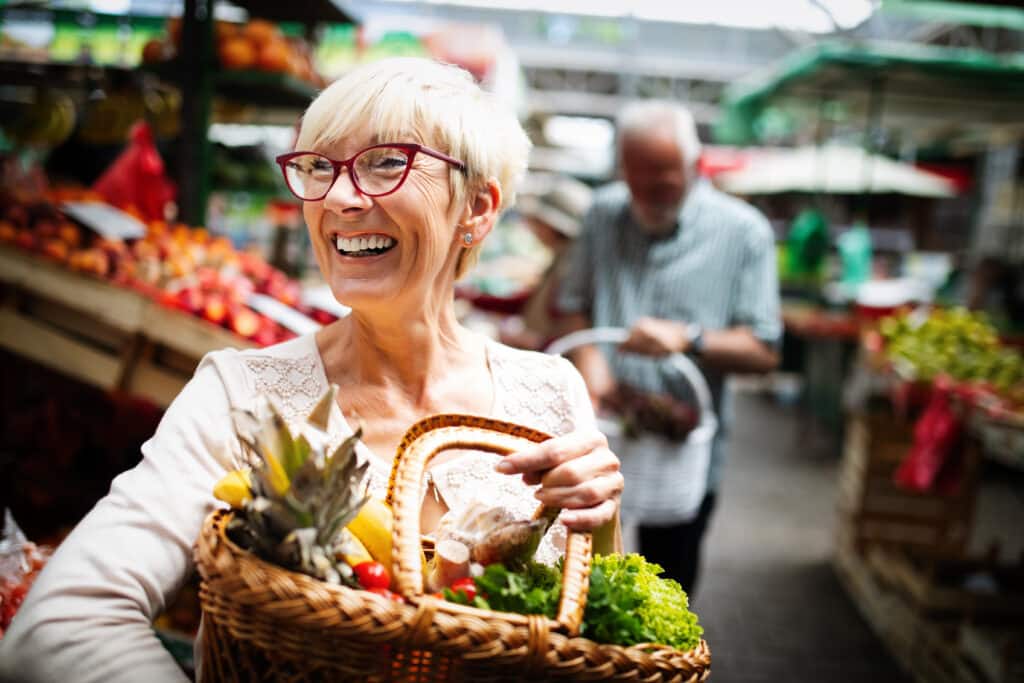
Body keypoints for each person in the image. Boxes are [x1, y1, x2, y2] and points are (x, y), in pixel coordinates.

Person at [0, 57, 623, 683]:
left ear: (478, 209)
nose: (340, 198)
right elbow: (61, 623)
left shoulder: (549, 392)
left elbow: (602, 638)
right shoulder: (241, 393)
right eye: (319, 167)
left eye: (386, 163)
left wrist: (603, 525)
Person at [557, 99, 781, 598]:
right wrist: (591, 362)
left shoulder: (744, 234)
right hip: (602, 434)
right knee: (577, 587)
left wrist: (690, 338)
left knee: (663, 594)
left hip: (683, 456)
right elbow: (573, 303)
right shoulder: (602, 214)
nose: (647, 196)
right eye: (636, 182)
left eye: (663, 183)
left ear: (695, 167)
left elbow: (765, 350)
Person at [499, 174, 592, 350]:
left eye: (538, 223)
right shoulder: (563, 258)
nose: (535, 230)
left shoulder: (574, 271)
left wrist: (533, 341)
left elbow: (577, 336)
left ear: (553, 226)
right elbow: (531, 303)